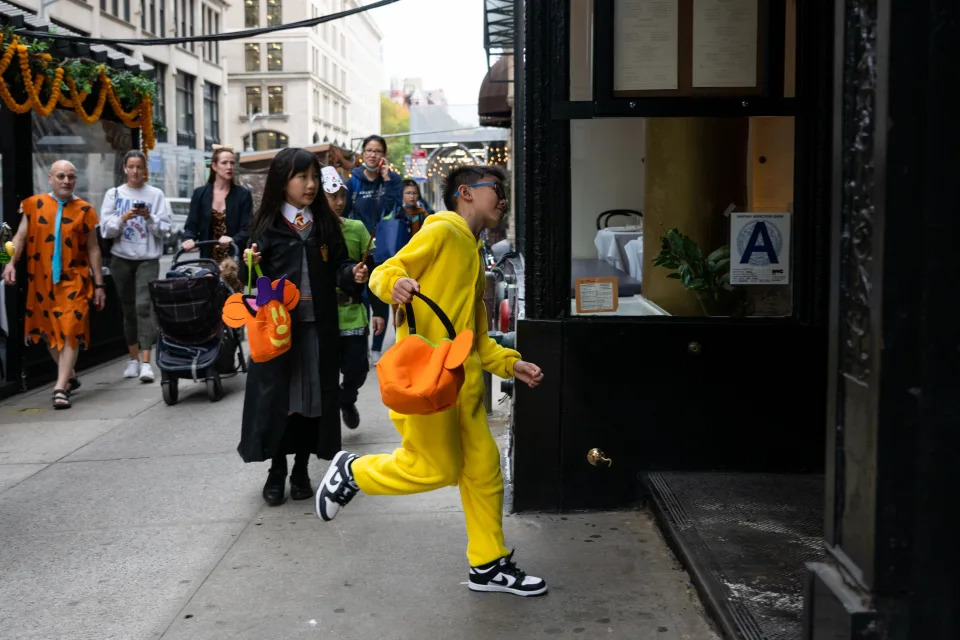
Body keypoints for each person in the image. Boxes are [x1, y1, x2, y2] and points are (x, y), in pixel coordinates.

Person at [315, 165, 548, 596]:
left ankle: (488, 564)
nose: (502, 198)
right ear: (465, 193)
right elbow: (389, 269)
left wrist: (510, 364)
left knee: (484, 472)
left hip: (461, 387)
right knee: (433, 470)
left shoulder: (474, 251)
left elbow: (475, 336)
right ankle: (354, 473)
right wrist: (395, 284)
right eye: (495, 189)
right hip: (427, 383)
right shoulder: (442, 231)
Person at [239, 148, 369, 507]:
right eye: (303, 178)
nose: (311, 185)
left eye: (314, 177)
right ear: (284, 182)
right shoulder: (265, 226)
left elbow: (340, 266)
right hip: (281, 334)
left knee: (312, 402)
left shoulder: (325, 223)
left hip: (319, 330)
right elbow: (248, 273)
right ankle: (276, 469)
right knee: (280, 402)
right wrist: (249, 260)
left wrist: (352, 274)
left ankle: (300, 469)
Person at [1, 160, 107, 409]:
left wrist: (99, 285)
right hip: (41, 281)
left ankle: (60, 387)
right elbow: (18, 237)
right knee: (49, 333)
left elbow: (93, 249)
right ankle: (69, 374)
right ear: (50, 178)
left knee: (70, 329)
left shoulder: (85, 210)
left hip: (74, 281)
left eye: (71, 176)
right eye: (61, 176)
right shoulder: (33, 205)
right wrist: (7, 263)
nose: (66, 181)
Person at [99, 150, 172, 383]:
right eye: (131, 166)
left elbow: (164, 229)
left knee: (144, 306)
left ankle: (146, 363)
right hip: (121, 258)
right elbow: (105, 230)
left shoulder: (156, 194)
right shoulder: (114, 194)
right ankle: (132, 359)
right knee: (128, 309)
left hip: (148, 258)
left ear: (145, 169)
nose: (135, 171)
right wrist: (123, 218)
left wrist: (149, 217)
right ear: (124, 168)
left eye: (139, 167)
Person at [321, 165, 384, 430]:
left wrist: (380, 310)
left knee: (358, 369)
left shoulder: (357, 229)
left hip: (353, 313)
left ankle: (347, 398)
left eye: (341, 196)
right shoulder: (310, 234)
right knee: (324, 372)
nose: (338, 202)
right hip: (322, 315)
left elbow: (375, 271)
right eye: (331, 196)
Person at [344, 135, 401, 363]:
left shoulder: (392, 180)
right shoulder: (353, 182)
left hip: (383, 248)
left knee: (380, 296)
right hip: (360, 249)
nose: (372, 154)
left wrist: (386, 180)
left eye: (377, 150)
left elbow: (393, 208)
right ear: (363, 154)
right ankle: (364, 345)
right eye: (369, 150)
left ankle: (377, 349)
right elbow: (344, 211)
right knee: (363, 296)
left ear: (383, 155)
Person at [182, 145, 252, 290]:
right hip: (208, 259)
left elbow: (247, 229)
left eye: (232, 163)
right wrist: (188, 238)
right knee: (207, 301)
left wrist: (233, 239)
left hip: (233, 260)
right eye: (224, 163)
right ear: (214, 166)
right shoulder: (200, 194)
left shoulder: (243, 195)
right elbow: (191, 225)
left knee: (233, 304)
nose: (229, 167)